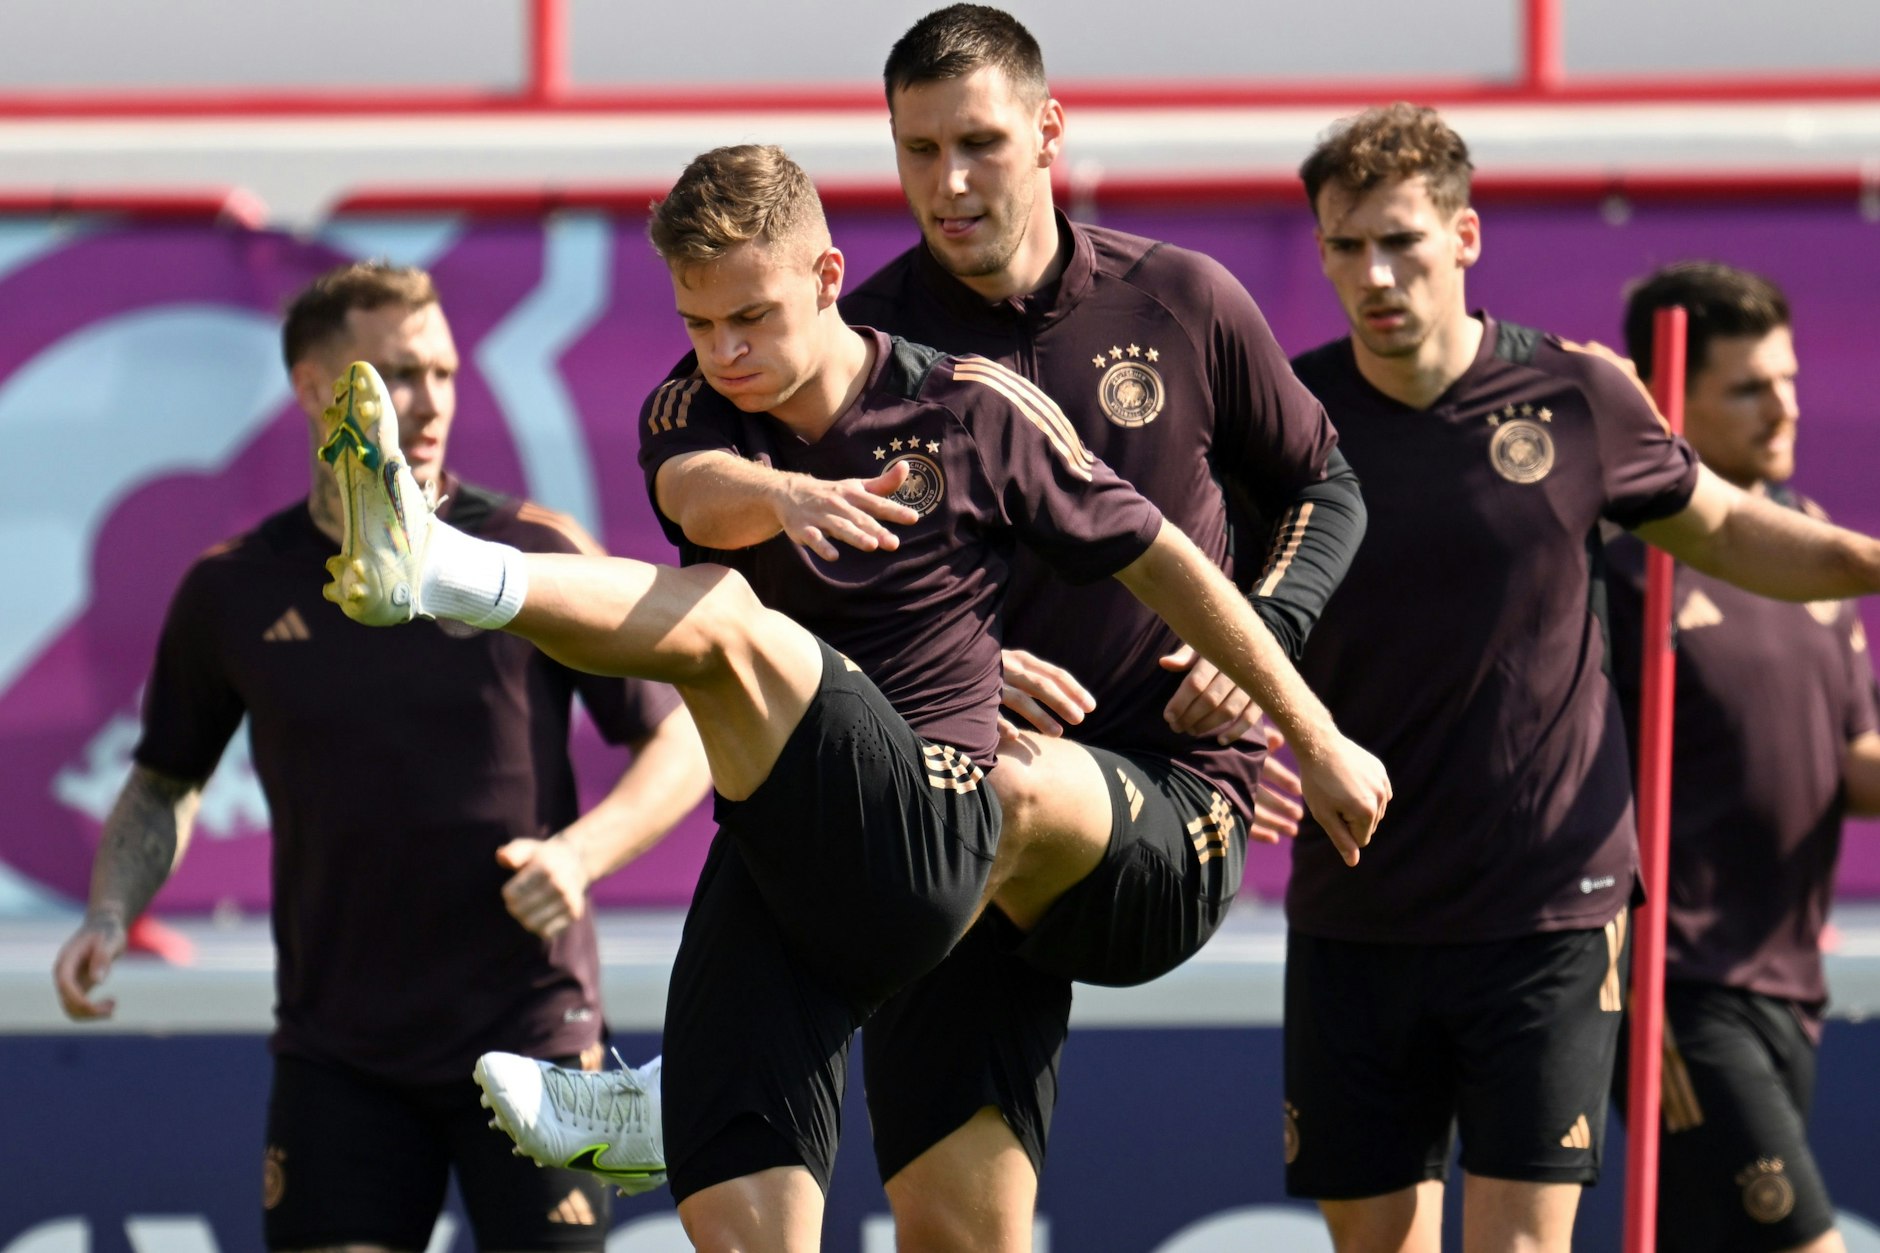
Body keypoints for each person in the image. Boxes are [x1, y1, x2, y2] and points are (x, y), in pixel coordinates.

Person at [336, 144, 1392, 1252]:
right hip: (814, 854)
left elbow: (1161, 553)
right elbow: (690, 486)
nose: (727, 351)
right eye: (699, 325)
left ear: (829, 276)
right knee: (786, 1223)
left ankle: (440, 568)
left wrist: (1313, 731)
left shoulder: (972, 407)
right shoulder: (696, 412)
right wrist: (786, 494)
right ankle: (686, 1090)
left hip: (949, 821)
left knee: (731, 628)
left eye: (752, 316)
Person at [1280, 103, 1880, 1252]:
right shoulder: (1287, 418)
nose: (1375, 273)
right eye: (1345, 246)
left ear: (1463, 237)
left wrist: (1868, 561)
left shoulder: (1576, 397)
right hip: (1360, 906)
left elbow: (1729, 528)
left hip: (1548, 907)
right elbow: (1214, 600)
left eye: (1400, 240)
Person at [833, 7, 1365, 1247]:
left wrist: (1258, 653)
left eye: (978, 142)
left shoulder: (1178, 298)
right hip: (955, 800)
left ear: (1048, 131)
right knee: (957, 1233)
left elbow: (1322, 488)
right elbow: (814, 597)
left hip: (1169, 797)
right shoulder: (864, 352)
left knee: (992, 795)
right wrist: (949, 664)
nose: (949, 182)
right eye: (918, 151)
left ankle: (716, 1073)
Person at [50, 261, 712, 1253]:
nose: (432, 400)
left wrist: (580, 853)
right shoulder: (232, 588)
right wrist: (110, 909)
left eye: (442, 372)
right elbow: (163, 782)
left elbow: (677, 737)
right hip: (340, 1051)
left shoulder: (529, 551)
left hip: (534, 1030)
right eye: (398, 375)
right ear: (318, 389)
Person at [1607, 261, 1880, 1253]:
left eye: (1789, 378)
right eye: (1747, 386)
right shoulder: (1615, 560)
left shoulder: (1809, 541)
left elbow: (1851, 764)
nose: (1782, 406)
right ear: (1665, 396)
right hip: (1677, 985)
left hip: (1786, 978)